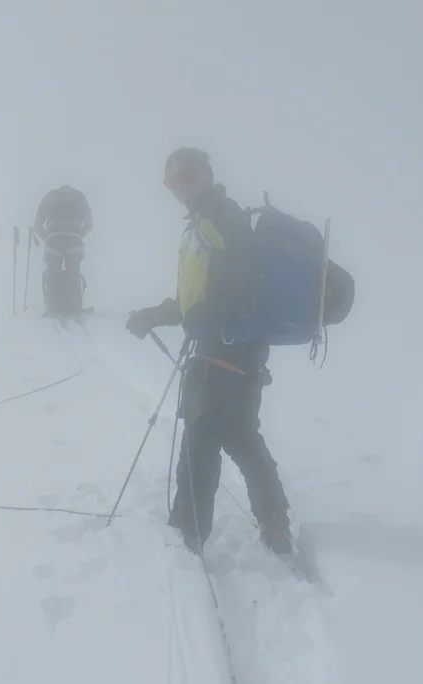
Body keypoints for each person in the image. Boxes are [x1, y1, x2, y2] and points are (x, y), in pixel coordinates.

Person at [124, 147, 293, 555]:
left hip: (224, 346)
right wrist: (156, 315)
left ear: (207, 174)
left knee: (201, 438)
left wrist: (211, 317)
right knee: (239, 435)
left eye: (189, 175)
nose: (182, 185)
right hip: (239, 348)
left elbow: (244, 276)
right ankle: (274, 521)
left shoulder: (219, 217)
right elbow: (195, 300)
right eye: (173, 180)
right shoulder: (206, 221)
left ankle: (189, 531)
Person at [32, 185, 93, 318]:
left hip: (54, 240)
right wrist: (78, 235)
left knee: (53, 273)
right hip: (74, 241)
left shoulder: (50, 197)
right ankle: (74, 309)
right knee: (73, 274)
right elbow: (89, 224)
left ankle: (53, 309)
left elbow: (37, 225)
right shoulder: (79, 196)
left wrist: (47, 237)